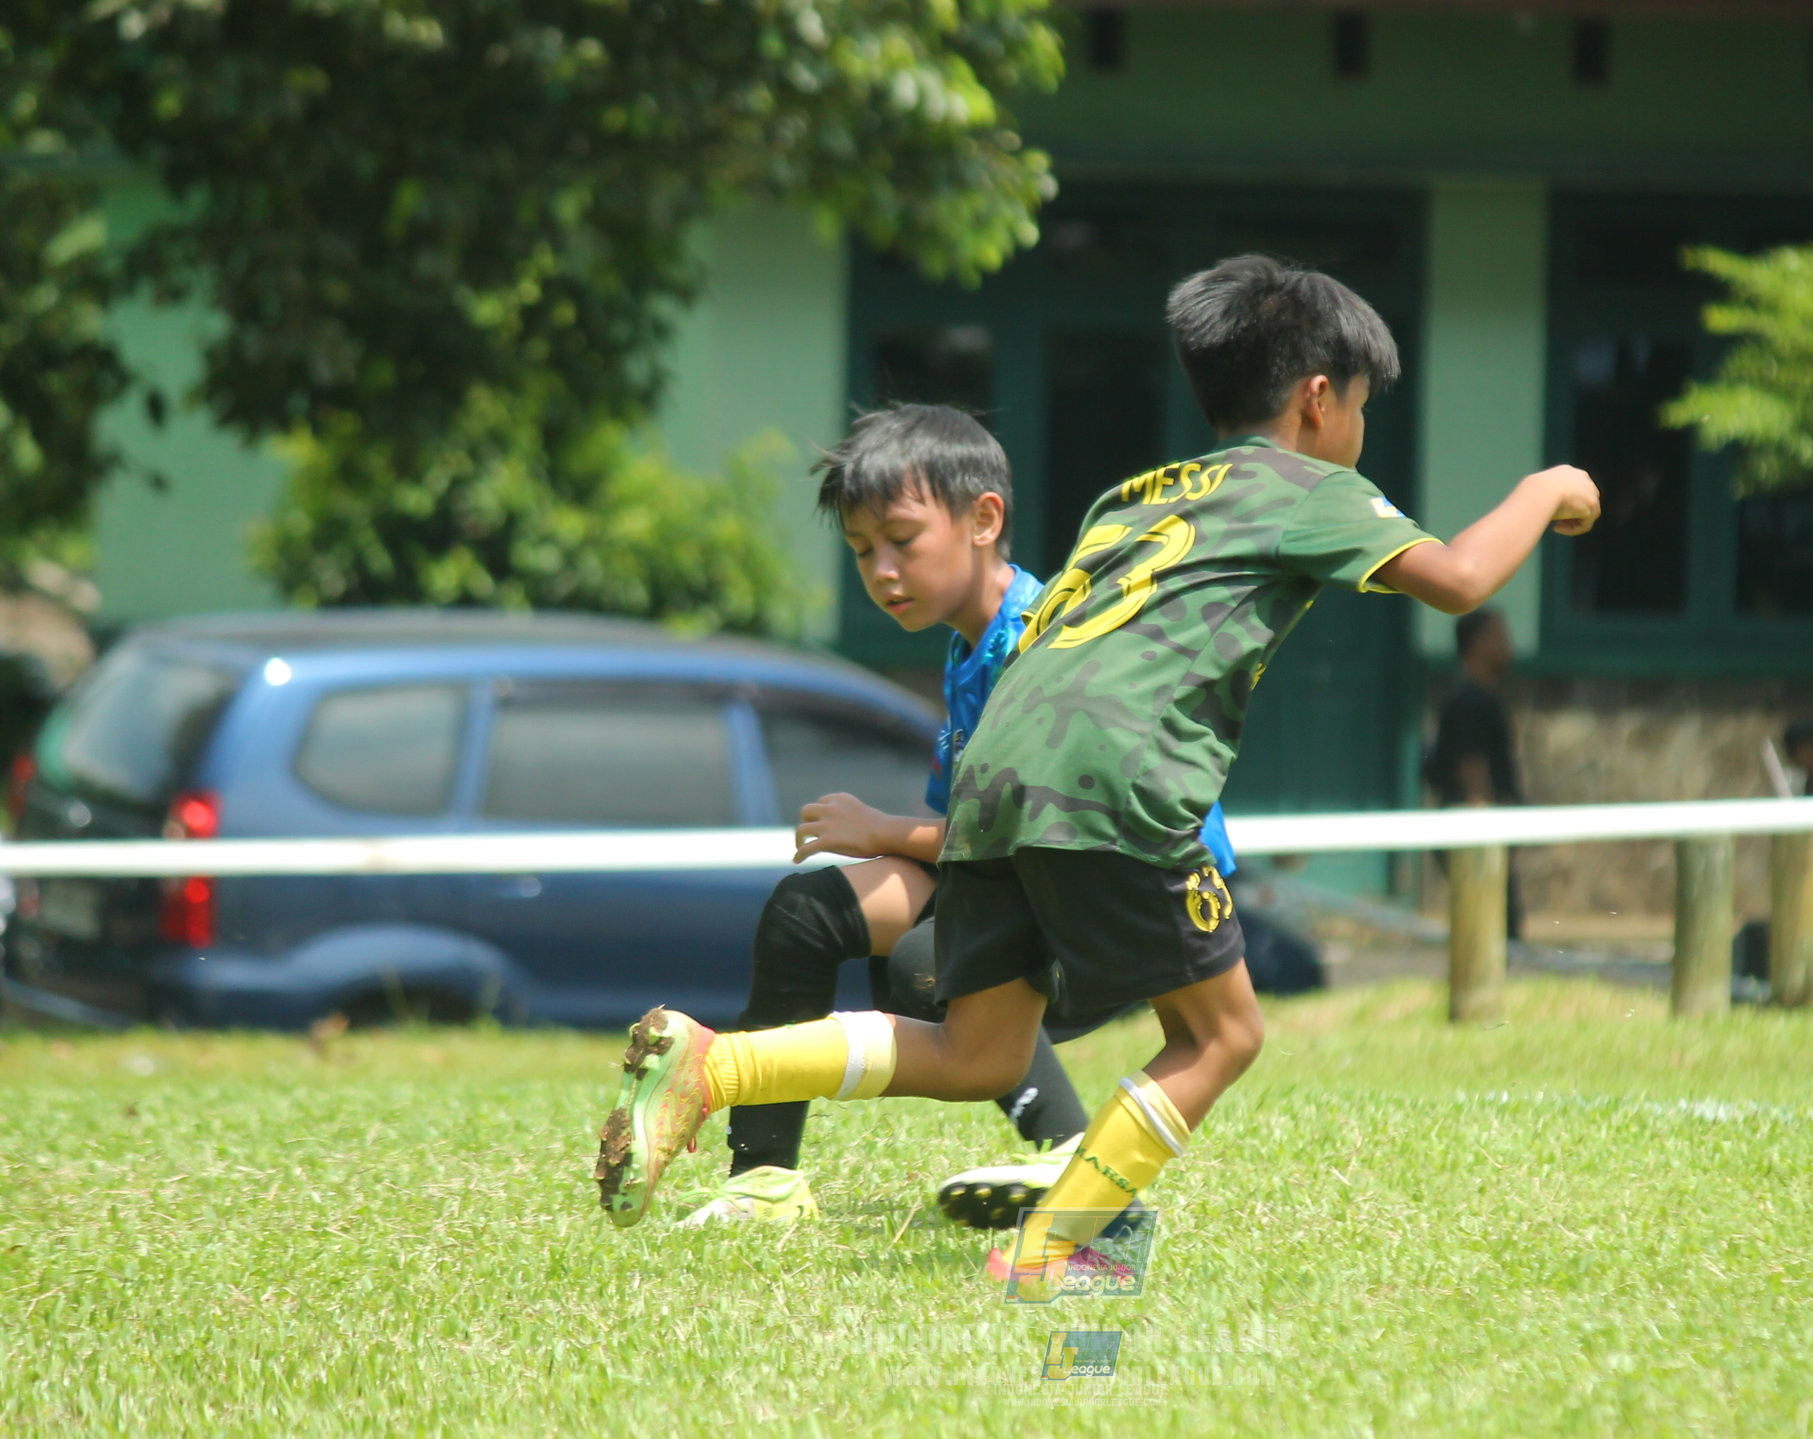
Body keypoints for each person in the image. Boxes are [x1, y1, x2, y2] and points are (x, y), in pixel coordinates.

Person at [592, 254, 1600, 1293]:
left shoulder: (1136, 495)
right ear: (1315, 398)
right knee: (1220, 1035)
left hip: (999, 780)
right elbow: (1461, 578)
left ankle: (715, 1064)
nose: (1357, 426)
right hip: (1116, 784)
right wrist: (1547, 486)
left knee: (980, 1051)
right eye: (1358, 402)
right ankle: (1047, 1254)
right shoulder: (1311, 487)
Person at [685, 403, 1238, 1232]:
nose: (880, 569)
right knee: (807, 912)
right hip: (1029, 884)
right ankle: (762, 1181)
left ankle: (1067, 1150)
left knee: (922, 963)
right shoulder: (969, 644)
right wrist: (888, 845)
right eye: (862, 550)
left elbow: (1030, 839)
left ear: (985, 520)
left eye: (901, 540)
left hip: (1128, 901)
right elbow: (974, 843)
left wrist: (881, 830)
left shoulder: (1043, 644)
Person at [1423, 608, 1525, 938]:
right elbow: (1471, 768)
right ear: (1478, 644)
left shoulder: (1483, 695)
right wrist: (1485, 828)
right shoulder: (1469, 700)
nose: (1509, 645)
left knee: (1495, 916)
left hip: (1482, 824)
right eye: (1500, 637)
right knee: (1492, 920)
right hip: (1474, 825)